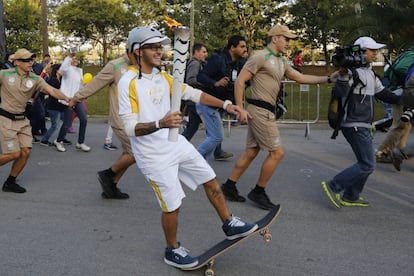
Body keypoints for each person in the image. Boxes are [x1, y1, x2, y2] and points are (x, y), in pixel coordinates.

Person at [117, 26, 258, 269]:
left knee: (210, 178)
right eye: (153, 47)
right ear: (138, 51)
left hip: (175, 143)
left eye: (160, 46)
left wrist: (226, 105)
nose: (159, 51)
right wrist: (160, 123)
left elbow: (193, 93)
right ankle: (172, 249)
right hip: (152, 155)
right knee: (172, 205)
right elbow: (130, 128)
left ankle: (229, 224)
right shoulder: (128, 82)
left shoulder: (163, 77)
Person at [222, 25, 339, 209]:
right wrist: (239, 108)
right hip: (260, 110)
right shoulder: (260, 57)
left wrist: (329, 79)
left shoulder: (281, 60)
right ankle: (258, 192)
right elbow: (241, 80)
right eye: (286, 39)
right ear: (275, 38)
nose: (288, 43)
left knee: (252, 151)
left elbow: (300, 77)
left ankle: (229, 186)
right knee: (277, 153)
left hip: (265, 110)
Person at [321, 36, 402, 208]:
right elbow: (340, 92)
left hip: (362, 124)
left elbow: (384, 94)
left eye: (376, 50)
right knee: (367, 164)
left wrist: (405, 99)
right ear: (360, 51)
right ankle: (334, 186)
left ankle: (351, 195)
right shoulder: (352, 72)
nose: (375, 53)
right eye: (372, 50)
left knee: (364, 162)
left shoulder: (370, 73)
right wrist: (343, 76)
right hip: (354, 124)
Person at [68, 27, 143, 199]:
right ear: (135, 50)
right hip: (121, 119)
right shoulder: (115, 65)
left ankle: (110, 187)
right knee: (136, 152)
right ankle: (107, 175)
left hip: (137, 119)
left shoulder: (140, 67)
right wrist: (76, 98)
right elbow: (95, 84)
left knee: (128, 153)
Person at [0, 48, 70, 193]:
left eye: (31, 60)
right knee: (13, 154)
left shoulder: (35, 79)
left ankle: (10, 182)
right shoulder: (5, 74)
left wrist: (67, 99)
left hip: (23, 120)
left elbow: (51, 91)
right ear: (17, 62)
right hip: (6, 119)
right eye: (26, 60)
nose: (31, 63)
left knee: (25, 152)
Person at [196, 35, 248, 161]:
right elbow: (201, 76)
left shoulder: (239, 63)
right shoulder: (218, 60)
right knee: (216, 137)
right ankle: (193, 159)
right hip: (208, 104)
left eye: (246, 47)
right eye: (242, 47)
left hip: (221, 105)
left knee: (213, 137)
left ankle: (201, 167)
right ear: (232, 47)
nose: (245, 49)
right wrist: (215, 83)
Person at [56, 53, 91, 152]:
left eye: (76, 59)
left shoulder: (79, 71)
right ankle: (59, 141)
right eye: (73, 59)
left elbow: (79, 86)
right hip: (67, 99)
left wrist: (84, 90)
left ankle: (80, 142)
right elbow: (62, 69)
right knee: (67, 123)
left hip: (77, 99)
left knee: (83, 119)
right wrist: (68, 57)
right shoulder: (67, 70)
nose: (75, 60)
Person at [181, 42, 208, 141]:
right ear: (196, 52)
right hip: (196, 99)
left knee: (192, 127)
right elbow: (190, 80)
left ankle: (179, 145)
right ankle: (216, 150)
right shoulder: (195, 64)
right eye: (203, 52)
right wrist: (205, 84)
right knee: (212, 126)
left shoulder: (197, 63)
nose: (206, 54)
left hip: (193, 100)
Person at [40, 64, 66, 148]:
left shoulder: (62, 80)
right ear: (57, 70)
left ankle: (61, 138)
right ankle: (44, 140)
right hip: (53, 106)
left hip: (61, 105)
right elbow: (48, 91)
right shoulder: (52, 80)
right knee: (54, 125)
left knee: (66, 122)